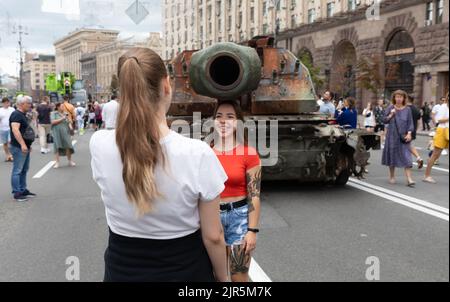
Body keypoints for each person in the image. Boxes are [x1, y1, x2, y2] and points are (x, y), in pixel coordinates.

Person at [90, 48, 228, 282]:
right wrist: (224, 279)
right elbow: (213, 236)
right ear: (167, 86)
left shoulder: (99, 144)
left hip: (121, 271)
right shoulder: (198, 154)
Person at [211, 100, 262, 282]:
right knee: (216, 276)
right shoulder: (205, 152)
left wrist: (252, 230)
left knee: (238, 277)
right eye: (219, 116)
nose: (223, 121)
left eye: (230, 117)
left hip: (238, 218)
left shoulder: (249, 153)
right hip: (211, 218)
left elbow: (254, 194)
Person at [382, 90, 415, 187]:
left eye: (401, 97)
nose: (399, 99)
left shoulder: (408, 109)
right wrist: (391, 115)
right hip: (392, 135)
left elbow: (410, 123)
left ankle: (409, 179)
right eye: (397, 97)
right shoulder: (390, 107)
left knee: (407, 156)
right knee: (392, 155)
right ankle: (392, 176)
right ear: (394, 98)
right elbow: (384, 120)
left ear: (404, 98)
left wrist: (409, 133)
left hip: (403, 136)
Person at [9, 95, 37, 202]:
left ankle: (23, 189)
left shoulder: (23, 114)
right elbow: (15, 130)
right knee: (17, 170)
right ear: (21, 104)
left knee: (24, 169)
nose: (30, 105)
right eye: (28, 103)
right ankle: (17, 192)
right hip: (18, 146)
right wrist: (22, 144)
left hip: (24, 146)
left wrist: (27, 145)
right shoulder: (16, 114)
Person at [424, 95, 449, 183]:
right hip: (442, 131)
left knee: (436, 155)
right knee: (435, 154)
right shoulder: (443, 107)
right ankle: (427, 176)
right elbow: (439, 120)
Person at [51, 103, 76, 168]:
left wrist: (71, 128)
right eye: (62, 106)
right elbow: (53, 122)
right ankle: (57, 162)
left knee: (68, 145)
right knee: (57, 147)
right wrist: (63, 118)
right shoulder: (54, 113)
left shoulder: (66, 113)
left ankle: (70, 161)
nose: (63, 107)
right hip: (57, 132)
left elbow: (69, 122)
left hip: (66, 132)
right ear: (58, 107)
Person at [407, 96, 424, 169]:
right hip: (413, 129)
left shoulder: (405, 109)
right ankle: (411, 161)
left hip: (406, 130)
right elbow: (418, 121)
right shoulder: (416, 109)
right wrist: (415, 130)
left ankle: (417, 158)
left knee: (407, 145)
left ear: (407, 100)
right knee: (408, 145)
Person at [0, 97, 15, 162]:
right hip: (2, 128)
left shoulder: (12, 109)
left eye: (8, 102)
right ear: (2, 103)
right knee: (5, 143)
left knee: (10, 142)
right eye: (5, 103)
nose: (7, 104)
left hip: (11, 128)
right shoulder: (0, 110)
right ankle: (7, 155)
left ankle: (11, 155)